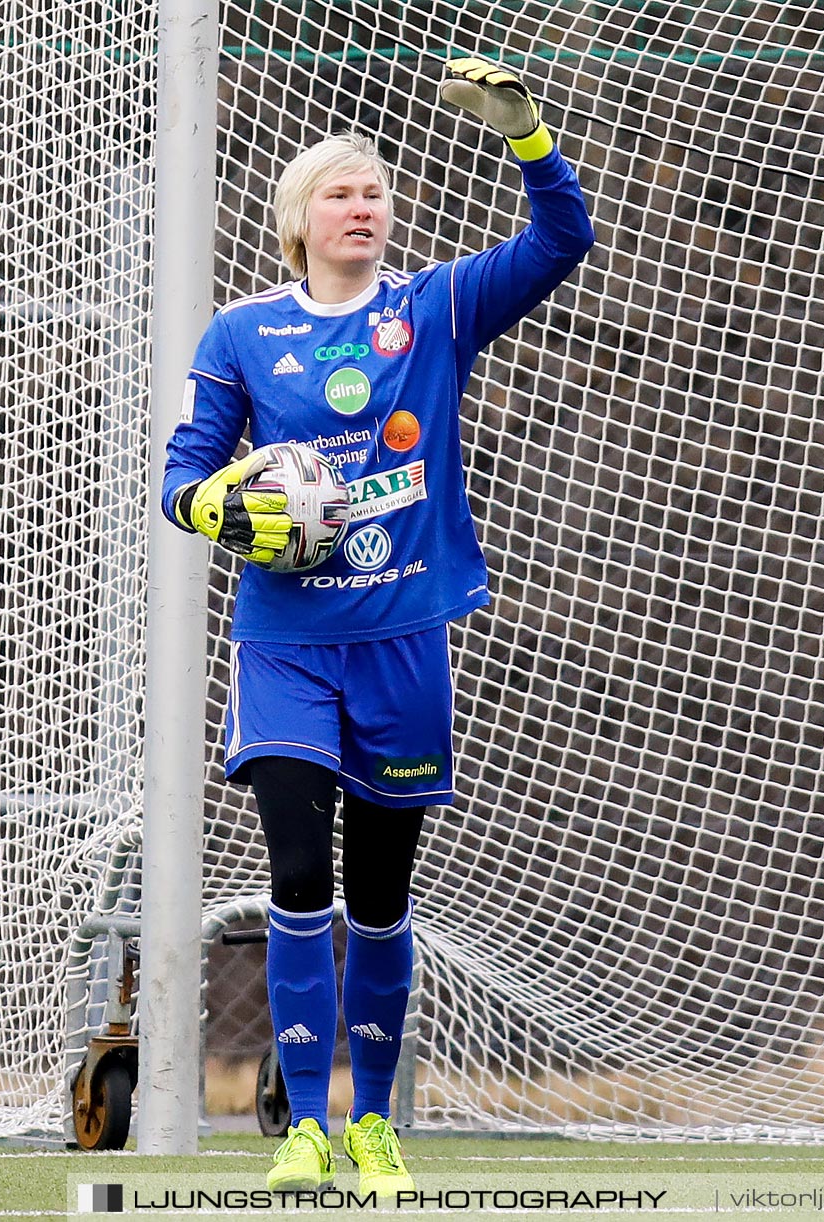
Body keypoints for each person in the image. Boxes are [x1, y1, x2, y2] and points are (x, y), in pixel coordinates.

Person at [160, 56, 594, 1192]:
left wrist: (527, 137)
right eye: (343, 194)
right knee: (299, 872)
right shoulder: (245, 334)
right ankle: (305, 1124)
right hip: (288, 644)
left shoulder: (433, 307)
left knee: (382, 895)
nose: (367, 207)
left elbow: (561, 244)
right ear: (300, 221)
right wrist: (218, 505)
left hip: (404, 643)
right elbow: (184, 475)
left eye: (377, 192)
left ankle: (376, 1125)